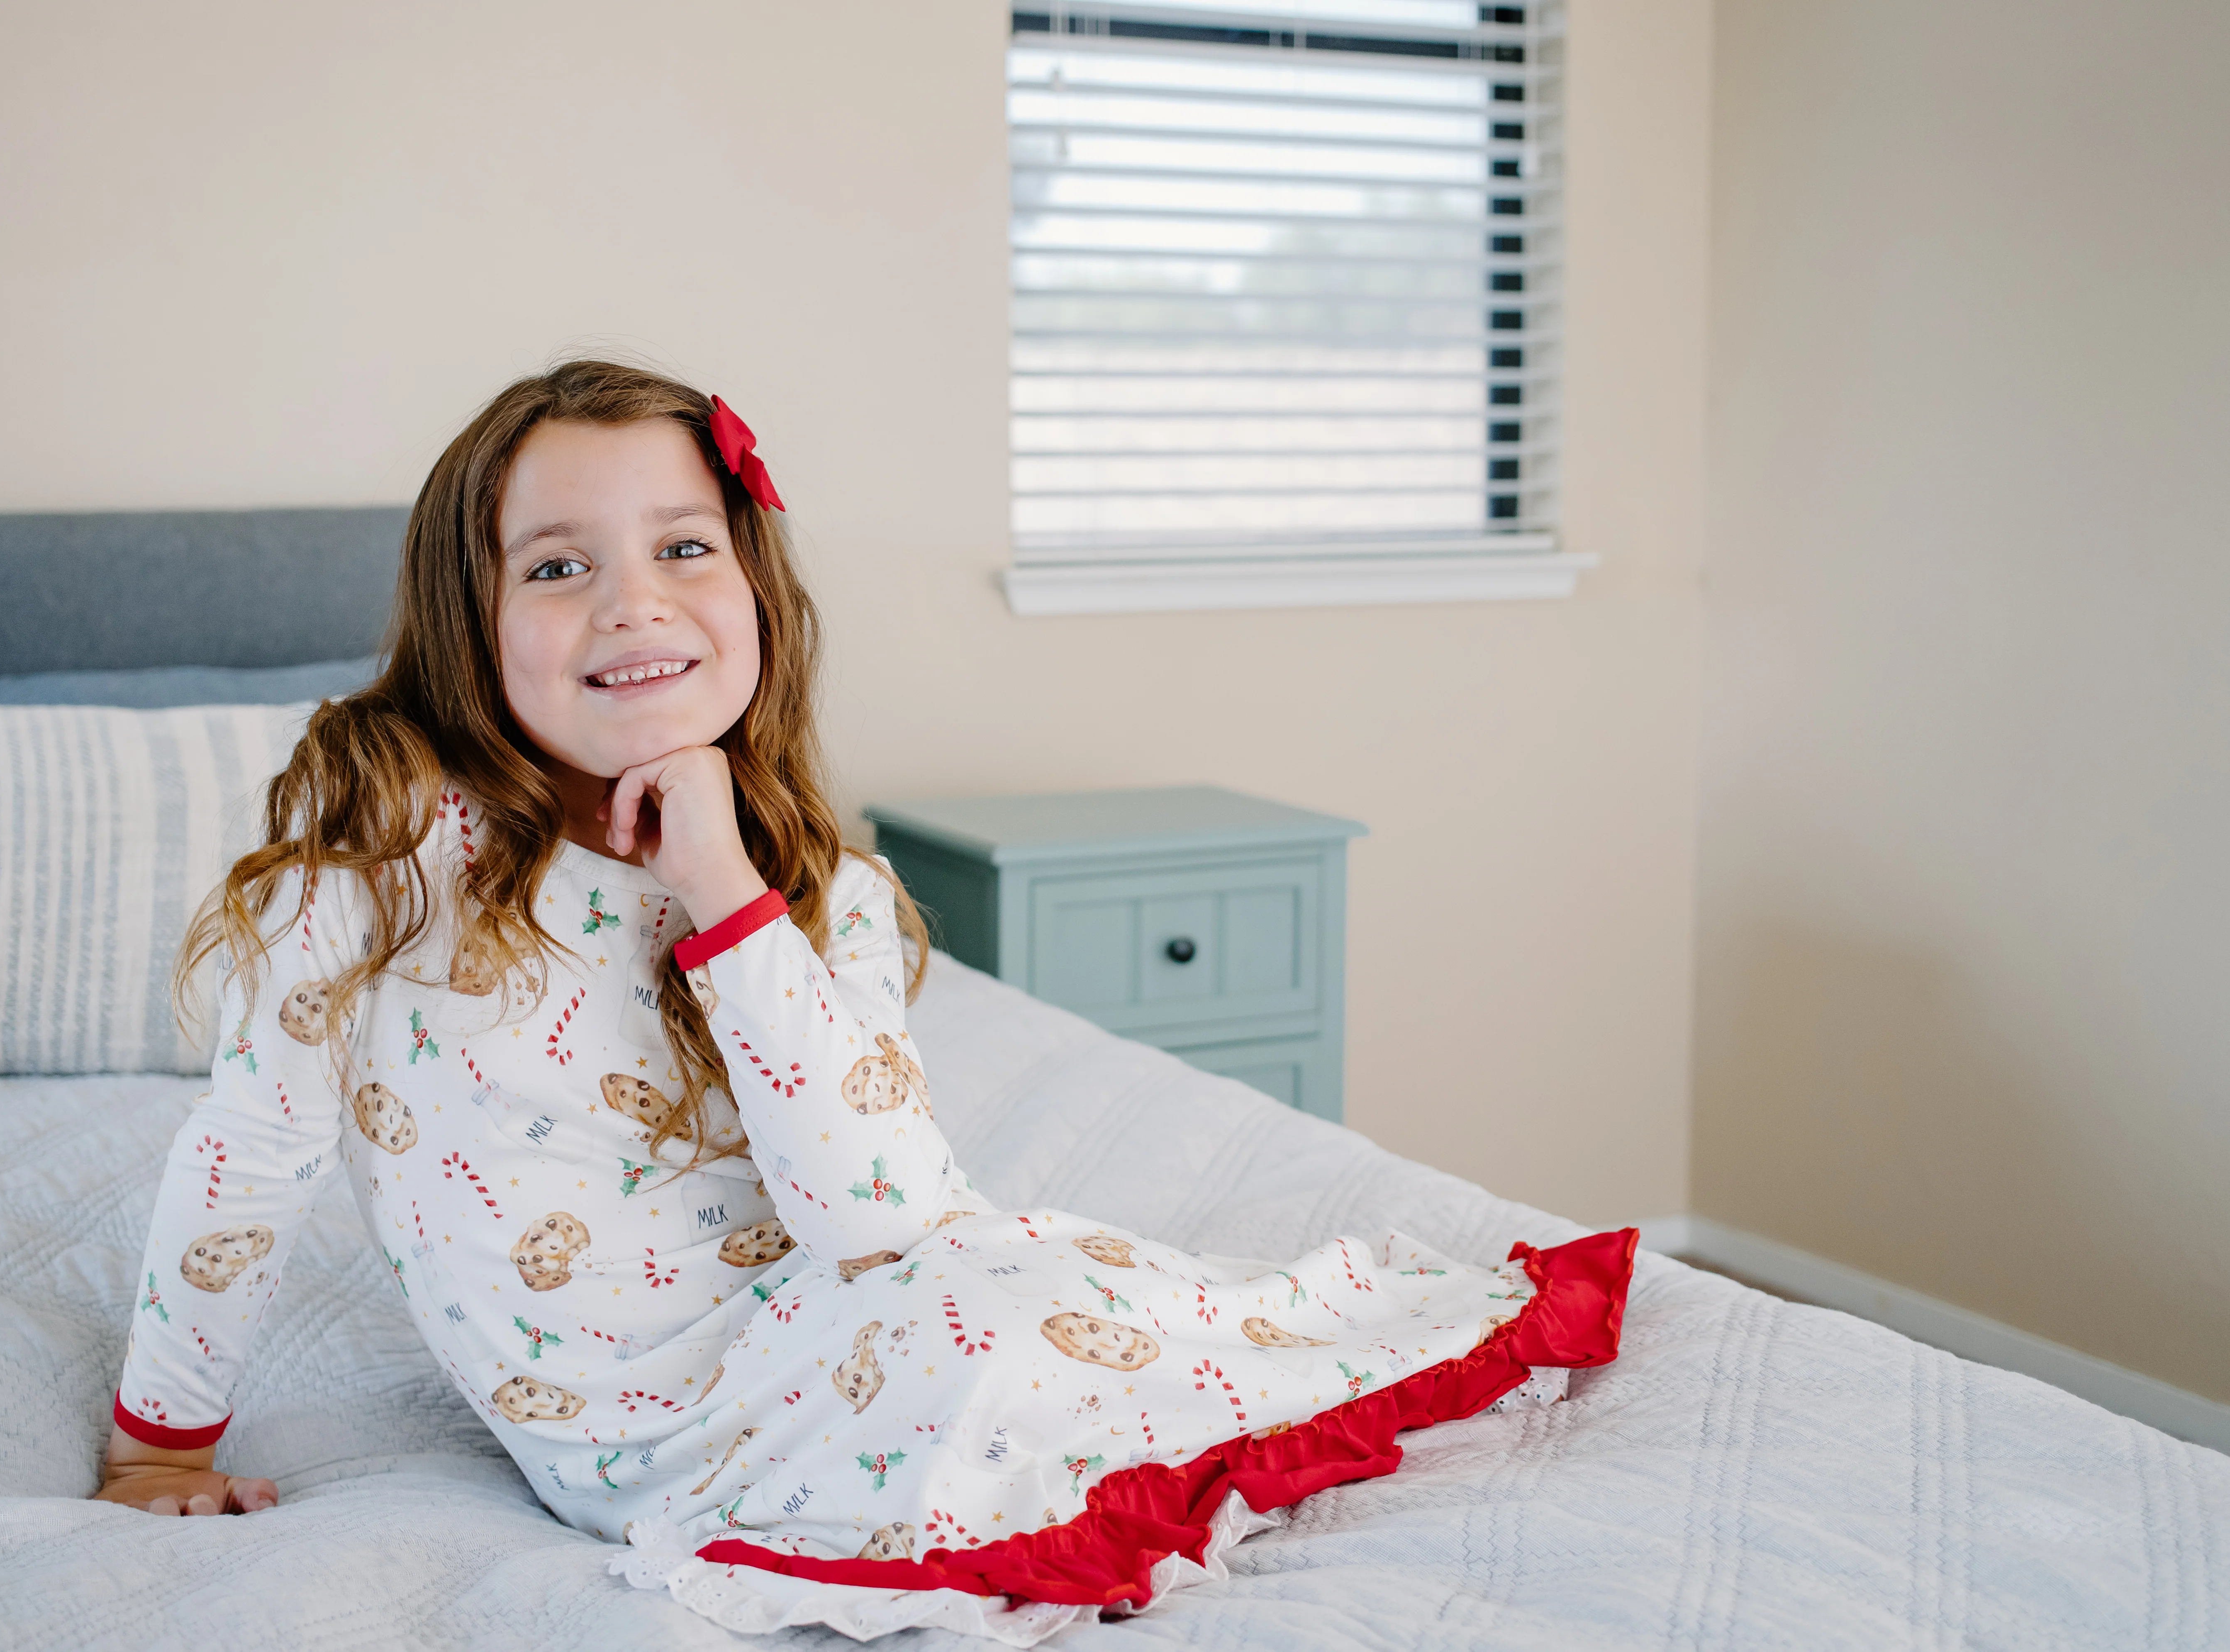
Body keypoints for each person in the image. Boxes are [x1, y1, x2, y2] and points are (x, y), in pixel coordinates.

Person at [93, 360, 1630, 1625]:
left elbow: (881, 1215)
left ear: (754, 585)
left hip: (848, 1295)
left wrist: (722, 891)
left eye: (684, 547)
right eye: (560, 567)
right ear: (468, 623)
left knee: (1007, 1286)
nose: (634, 604)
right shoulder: (376, 868)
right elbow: (250, 1155)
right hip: (650, 1433)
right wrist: (159, 1438)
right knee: (982, 1318)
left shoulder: (817, 893)